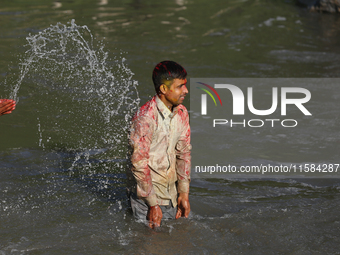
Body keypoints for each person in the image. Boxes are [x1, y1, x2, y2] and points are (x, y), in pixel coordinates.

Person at [128, 60, 191, 229]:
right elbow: (138, 164)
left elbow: (183, 153)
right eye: (180, 86)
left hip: (173, 194)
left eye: (185, 85)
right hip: (147, 200)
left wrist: (184, 193)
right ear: (163, 89)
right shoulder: (145, 118)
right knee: (147, 246)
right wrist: (153, 205)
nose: (186, 90)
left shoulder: (182, 113)